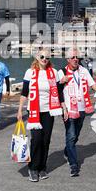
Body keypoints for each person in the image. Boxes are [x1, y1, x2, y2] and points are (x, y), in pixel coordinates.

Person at [17, 50, 64, 182]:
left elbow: (59, 91)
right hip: (33, 110)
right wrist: (20, 109)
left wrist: (63, 106)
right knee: (36, 140)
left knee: (46, 140)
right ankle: (33, 168)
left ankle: (42, 167)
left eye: (47, 57)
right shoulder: (29, 72)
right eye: (42, 57)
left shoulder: (53, 73)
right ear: (37, 57)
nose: (45, 59)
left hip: (49, 111)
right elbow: (24, 92)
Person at [58, 48, 96, 177]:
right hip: (69, 110)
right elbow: (57, 90)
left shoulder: (83, 71)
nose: (75, 59)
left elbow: (92, 84)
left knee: (76, 135)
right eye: (72, 57)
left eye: (77, 57)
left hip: (82, 108)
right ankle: (73, 164)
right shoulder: (62, 72)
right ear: (68, 59)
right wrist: (61, 82)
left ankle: (67, 150)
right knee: (71, 135)